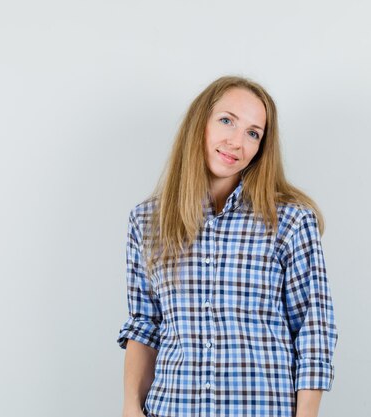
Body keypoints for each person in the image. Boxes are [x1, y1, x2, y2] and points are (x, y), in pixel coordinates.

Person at [116, 75, 339, 417]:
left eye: (253, 133)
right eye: (227, 121)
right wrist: (131, 410)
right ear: (199, 125)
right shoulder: (147, 222)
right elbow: (145, 325)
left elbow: (313, 332)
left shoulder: (290, 222)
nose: (237, 142)